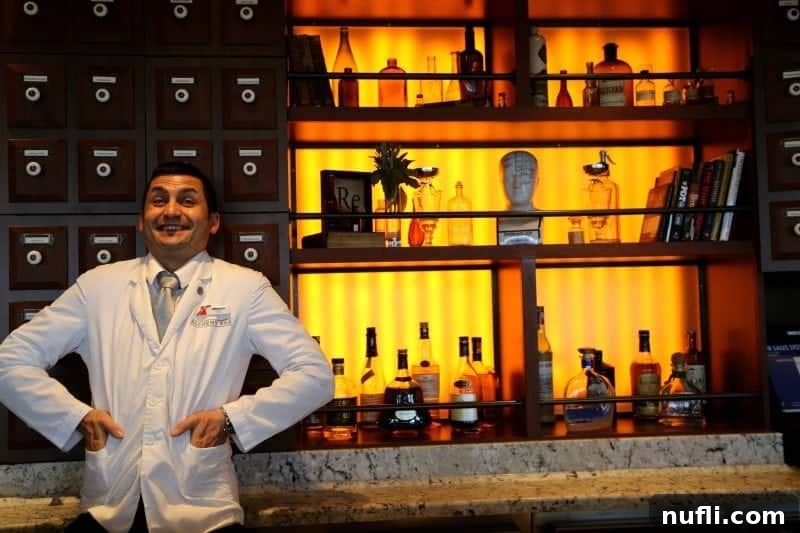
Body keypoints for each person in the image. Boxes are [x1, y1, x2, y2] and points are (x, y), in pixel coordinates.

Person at [0, 161, 334, 532]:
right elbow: (10, 362)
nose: (171, 210)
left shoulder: (244, 289)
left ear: (213, 222)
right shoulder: (98, 287)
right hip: (108, 509)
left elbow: (315, 376)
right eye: (158, 200)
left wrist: (230, 419)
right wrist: (74, 418)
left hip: (204, 510)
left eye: (187, 201)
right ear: (142, 221)